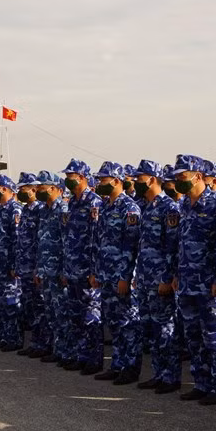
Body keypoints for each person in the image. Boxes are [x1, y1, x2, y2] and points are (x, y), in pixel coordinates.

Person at [171, 154, 216, 404]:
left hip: (210, 283)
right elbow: (180, 243)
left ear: (197, 176)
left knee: (215, 337)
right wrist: (176, 272)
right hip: (187, 281)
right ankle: (201, 382)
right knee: (193, 336)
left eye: (182, 176)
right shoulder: (184, 204)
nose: (178, 181)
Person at [133, 159, 182, 394]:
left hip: (159, 279)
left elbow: (172, 247)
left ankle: (170, 376)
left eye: (139, 179)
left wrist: (166, 277)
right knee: (150, 328)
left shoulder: (169, 208)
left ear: (152, 180)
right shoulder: (143, 205)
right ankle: (157, 373)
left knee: (165, 329)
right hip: (144, 277)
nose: (135, 183)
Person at [91, 161, 142, 385]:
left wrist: (126, 277)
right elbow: (99, 242)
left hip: (121, 276)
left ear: (117, 181)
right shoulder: (105, 206)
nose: (100, 183)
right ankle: (118, 364)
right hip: (106, 274)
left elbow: (132, 246)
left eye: (104, 179)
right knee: (113, 321)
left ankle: (131, 367)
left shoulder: (129, 208)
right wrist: (97, 272)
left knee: (128, 323)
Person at [60, 158, 103, 373]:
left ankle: (94, 359)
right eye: (66, 177)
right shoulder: (73, 202)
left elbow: (96, 240)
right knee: (75, 315)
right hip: (73, 268)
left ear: (83, 178)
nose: (68, 180)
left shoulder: (94, 202)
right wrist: (67, 268)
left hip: (87, 269)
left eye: (71, 176)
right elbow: (69, 238)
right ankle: (80, 354)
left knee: (90, 316)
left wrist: (94, 271)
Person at [0, 174, 23, 351]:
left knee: (11, 303)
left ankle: (14, 338)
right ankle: (4, 336)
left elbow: (16, 240)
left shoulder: (14, 209)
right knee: (0, 302)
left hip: (8, 266)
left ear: (3, 189)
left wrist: (14, 265)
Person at [35, 172, 67, 362]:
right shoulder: (44, 210)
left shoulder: (63, 210)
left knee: (62, 312)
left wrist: (64, 269)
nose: (38, 190)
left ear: (54, 188)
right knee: (50, 312)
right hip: (46, 270)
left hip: (58, 271)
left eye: (42, 187)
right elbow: (42, 242)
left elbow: (67, 243)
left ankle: (65, 351)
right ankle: (55, 348)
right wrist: (39, 268)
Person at [14, 173, 45, 357]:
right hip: (24, 266)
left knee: (40, 308)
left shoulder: (40, 210)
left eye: (23, 189)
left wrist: (37, 267)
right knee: (31, 307)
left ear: (33, 190)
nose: (20, 192)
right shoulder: (25, 210)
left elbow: (41, 242)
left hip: (35, 267)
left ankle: (44, 344)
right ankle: (35, 343)